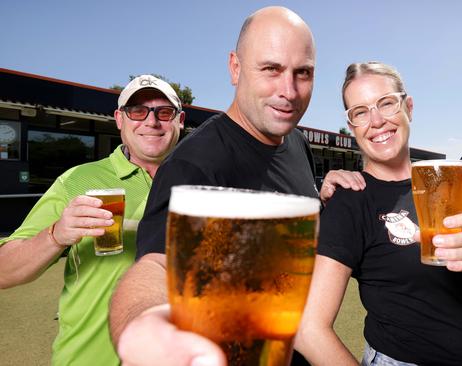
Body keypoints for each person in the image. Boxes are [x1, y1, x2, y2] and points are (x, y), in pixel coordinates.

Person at [108, 7, 362, 366]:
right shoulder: (194, 165)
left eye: (302, 73)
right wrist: (142, 322)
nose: (288, 91)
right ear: (235, 67)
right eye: (271, 69)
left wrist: (321, 197)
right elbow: (157, 265)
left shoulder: (295, 142)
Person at [294, 62, 462, 366]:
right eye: (361, 112)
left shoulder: (452, 180)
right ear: (352, 126)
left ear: (408, 106)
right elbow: (310, 329)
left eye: (386, 103)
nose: (376, 120)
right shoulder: (349, 200)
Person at [0, 74, 185, 365]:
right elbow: (3, 270)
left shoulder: (199, 182)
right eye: (137, 111)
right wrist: (56, 235)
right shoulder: (77, 180)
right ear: (119, 119)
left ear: (180, 121)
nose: (151, 122)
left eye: (164, 112)